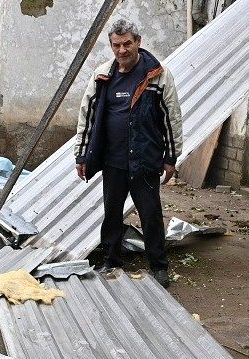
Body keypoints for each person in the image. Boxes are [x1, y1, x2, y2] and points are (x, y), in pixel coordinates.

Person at [74, 18, 184, 288]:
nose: (121, 50)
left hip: (145, 158)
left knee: (150, 214)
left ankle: (159, 266)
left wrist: (171, 157)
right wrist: (82, 154)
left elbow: (172, 118)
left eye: (127, 44)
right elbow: (87, 115)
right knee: (112, 212)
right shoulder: (103, 75)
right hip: (113, 159)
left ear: (138, 42)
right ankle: (111, 259)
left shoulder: (157, 75)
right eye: (116, 45)